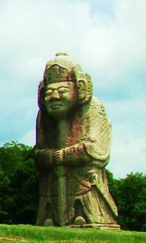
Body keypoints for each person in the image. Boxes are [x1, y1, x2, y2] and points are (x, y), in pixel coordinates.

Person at [34, 52, 119, 228]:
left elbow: (97, 149)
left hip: (83, 178)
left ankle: (85, 216)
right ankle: (52, 218)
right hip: (54, 181)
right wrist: (50, 157)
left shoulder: (93, 108)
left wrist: (64, 155)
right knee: (49, 187)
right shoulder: (44, 116)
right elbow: (38, 153)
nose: (55, 97)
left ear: (79, 88)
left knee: (85, 183)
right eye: (49, 92)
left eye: (62, 91)